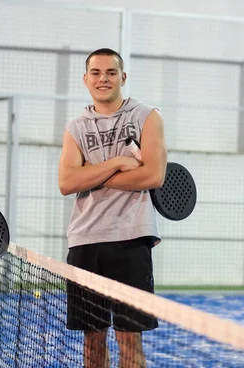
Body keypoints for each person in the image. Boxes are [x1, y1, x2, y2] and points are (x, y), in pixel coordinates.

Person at [58, 48, 167, 368]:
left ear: (123, 77)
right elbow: (66, 182)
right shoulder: (75, 127)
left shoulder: (147, 117)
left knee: (129, 339)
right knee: (92, 340)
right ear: (85, 79)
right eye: (95, 72)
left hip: (132, 238)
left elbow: (153, 175)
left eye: (109, 72)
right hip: (85, 240)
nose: (102, 78)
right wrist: (119, 163)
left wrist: (91, 175)